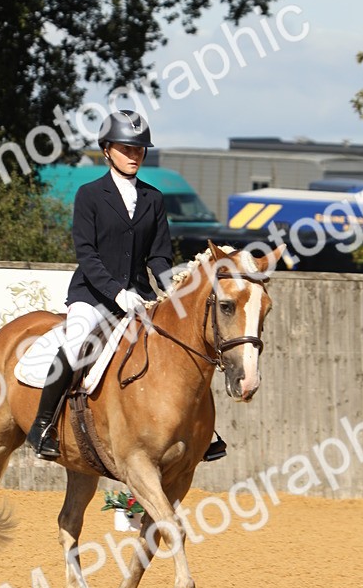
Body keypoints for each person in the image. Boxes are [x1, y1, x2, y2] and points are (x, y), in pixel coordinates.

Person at [25, 109, 227, 463]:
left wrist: (170, 292)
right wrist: (116, 292)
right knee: (75, 344)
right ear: (106, 150)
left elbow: (159, 257)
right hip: (93, 294)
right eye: (126, 149)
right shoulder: (89, 195)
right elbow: (86, 254)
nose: (134, 155)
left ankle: (200, 430)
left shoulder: (154, 199)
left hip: (140, 296)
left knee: (181, 347)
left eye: (139, 150)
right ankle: (43, 425)